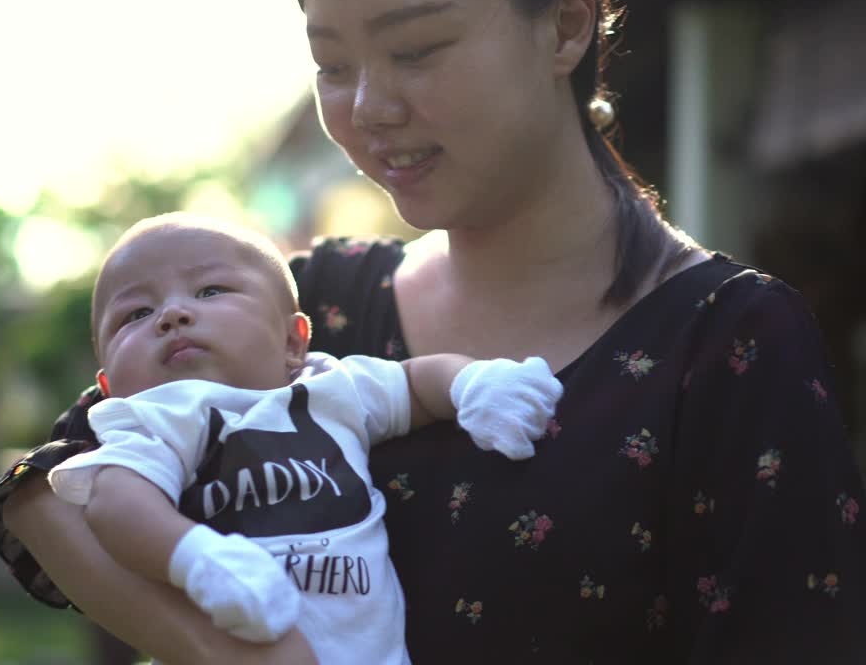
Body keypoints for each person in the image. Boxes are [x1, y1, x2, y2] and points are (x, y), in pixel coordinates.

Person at [0, 0, 866, 662]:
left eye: (416, 49)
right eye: (333, 65)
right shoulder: (316, 306)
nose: (369, 108)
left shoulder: (728, 344)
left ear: (566, 26)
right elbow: (42, 498)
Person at [35, 212, 561, 663]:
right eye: (136, 314)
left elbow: (418, 383)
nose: (173, 315)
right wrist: (198, 560)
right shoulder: (156, 416)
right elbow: (116, 506)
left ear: (293, 342)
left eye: (209, 291)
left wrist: (475, 384)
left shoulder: (333, 387)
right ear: (108, 389)